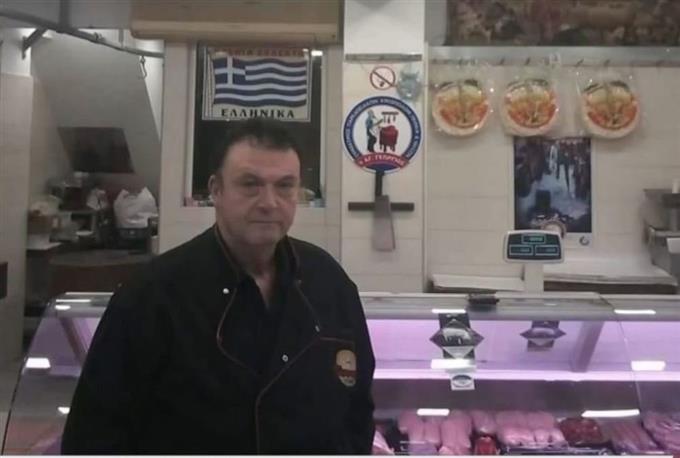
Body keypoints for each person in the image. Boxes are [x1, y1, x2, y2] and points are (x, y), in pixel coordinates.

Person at [61, 118, 376, 454]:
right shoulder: (152, 295)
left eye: (285, 186)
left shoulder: (328, 281)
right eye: (250, 184)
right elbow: (93, 436)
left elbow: (357, 408)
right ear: (216, 190)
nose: (270, 202)